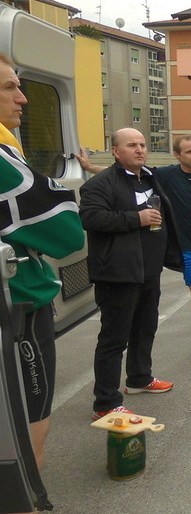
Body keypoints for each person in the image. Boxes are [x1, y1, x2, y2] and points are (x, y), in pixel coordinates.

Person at [0, 54, 85, 491]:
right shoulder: (4, 162)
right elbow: (67, 231)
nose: (24, 98)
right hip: (19, 311)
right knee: (27, 435)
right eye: (9, 87)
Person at [77, 136, 191, 369]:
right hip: (187, 247)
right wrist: (89, 167)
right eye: (189, 152)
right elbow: (124, 174)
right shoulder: (166, 175)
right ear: (177, 155)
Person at [79, 127, 181, 420]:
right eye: (132, 145)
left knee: (145, 328)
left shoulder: (149, 177)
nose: (139, 149)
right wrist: (136, 218)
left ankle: (139, 378)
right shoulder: (100, 184)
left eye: (142, 144)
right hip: (117, 275)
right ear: (116, 151)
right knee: (114, 340)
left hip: (149, 272)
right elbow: (90, 217)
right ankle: (106, 402)